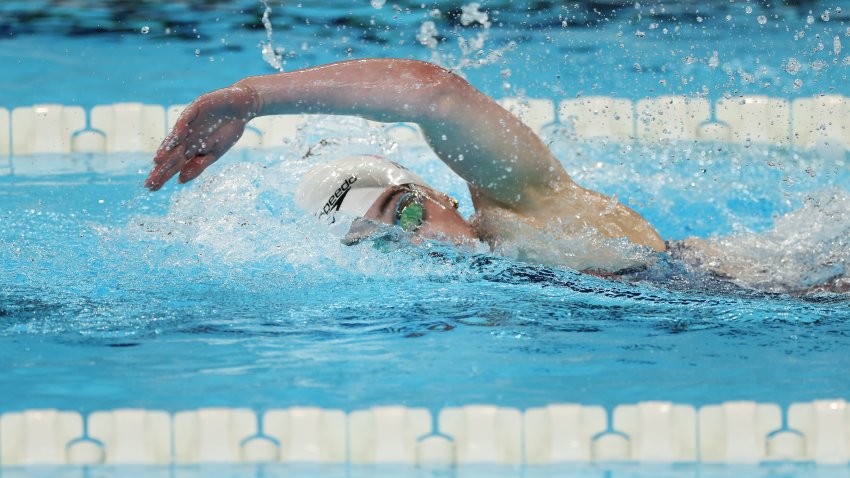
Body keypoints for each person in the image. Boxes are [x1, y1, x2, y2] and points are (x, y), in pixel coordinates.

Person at [144, 58, 667, 274]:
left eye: (409, 213)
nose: (417, 239)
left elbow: (435, 95)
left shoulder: (524, 207)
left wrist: (252, 98)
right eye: (385, 236)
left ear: (443, 198)